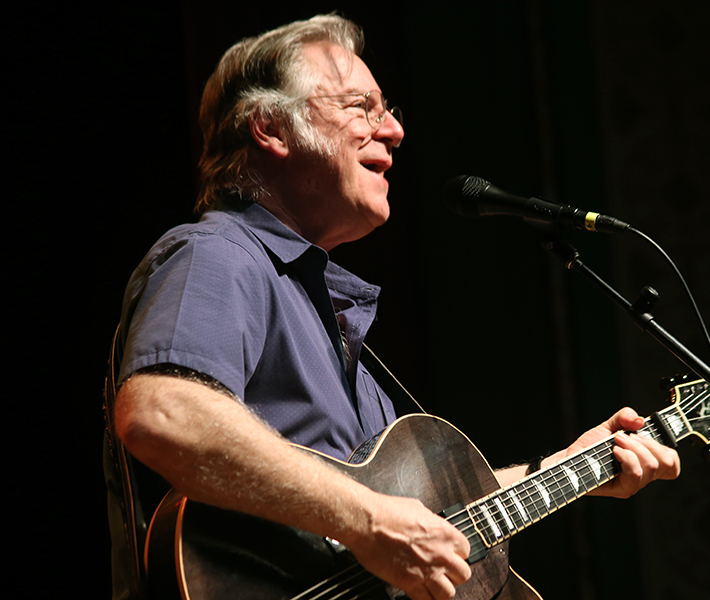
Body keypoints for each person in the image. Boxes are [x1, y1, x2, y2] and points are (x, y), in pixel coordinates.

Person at [106, 13, 680, 600]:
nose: (394, 132)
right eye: (362, 107)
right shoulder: (220, 253)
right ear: (271, 128)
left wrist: (567, 467)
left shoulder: (326, 318)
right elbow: (163, 412)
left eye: (389, 111)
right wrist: (370, 522)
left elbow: (427, 521)